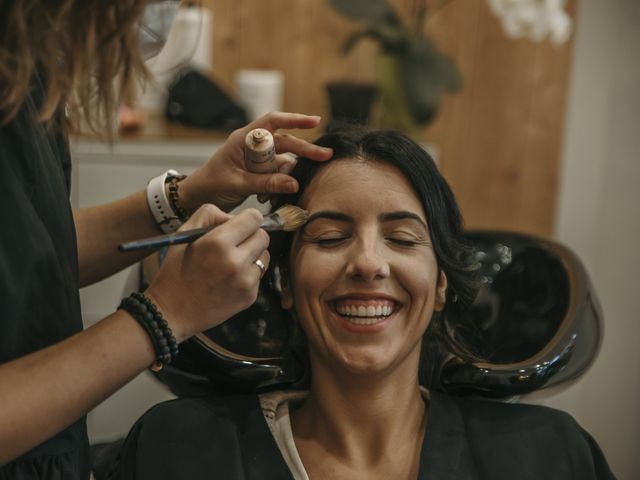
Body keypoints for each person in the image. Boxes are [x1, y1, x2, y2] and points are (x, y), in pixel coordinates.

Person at [113, 127, 615, 479]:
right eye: (330, 237)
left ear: (442, 285)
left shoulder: (549, 455)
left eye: (402, 238)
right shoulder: (178, 449)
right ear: (285, 283)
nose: (368, 263)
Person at [0, 0, 332, 477]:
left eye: (401, 237)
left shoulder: (23, 80)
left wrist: (185, 196)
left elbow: (26, 252)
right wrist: (163, 315)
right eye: (333, 235)